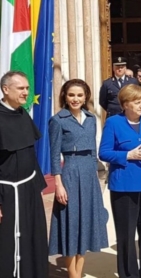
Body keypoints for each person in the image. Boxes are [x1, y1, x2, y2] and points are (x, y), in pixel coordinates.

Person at [99, 84, 141, 278]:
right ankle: (128, 274)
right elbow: (103, 152)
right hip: (124, 185)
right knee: (126, 235)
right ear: (125, 104)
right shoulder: (113, 123)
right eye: (137, 102)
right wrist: (127, 155)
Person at [48, 79, 108, 278]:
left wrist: (97, 179)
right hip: (70, 174)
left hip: (89, 174)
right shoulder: (58, 120)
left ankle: (79, 273)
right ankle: (72, 275)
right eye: (71, 95)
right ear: (65, 96)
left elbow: (94, 151)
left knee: (86, 224)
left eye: (79, 95)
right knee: (71, 223)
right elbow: (55, 155)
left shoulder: (91, 119)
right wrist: (59, 184)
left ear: (86, 97)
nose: (75, 99)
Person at [0, 71, 48, 277]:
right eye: (21, 88)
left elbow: (30, 153)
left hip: (29, 189)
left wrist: (37, 187)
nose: (26, 92)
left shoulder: (22, 113)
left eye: (27, 88)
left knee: (32, 239)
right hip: (6, 193)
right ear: (5, 89)